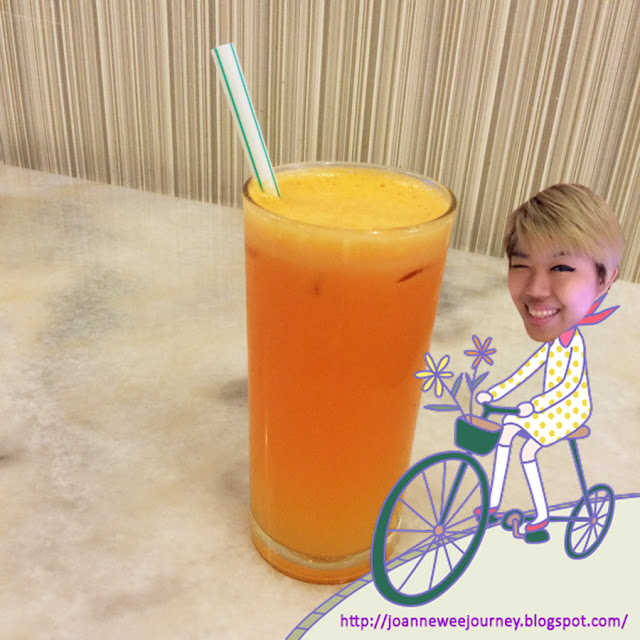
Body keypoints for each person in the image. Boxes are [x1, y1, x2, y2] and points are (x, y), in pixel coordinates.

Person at [476, 184, 624, 542]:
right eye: (520, 265)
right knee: (508, 430)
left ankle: (541, 517)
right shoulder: (555, 341)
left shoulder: (576, 344)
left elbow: (569, 387)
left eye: (561, 267)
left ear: (605, 279)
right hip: (549, 406)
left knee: (526, 446)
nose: (535, 289)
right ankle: (493, 506)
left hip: (571, 407)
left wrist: (537, 404)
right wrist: (494, 393)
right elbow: (526, 372)